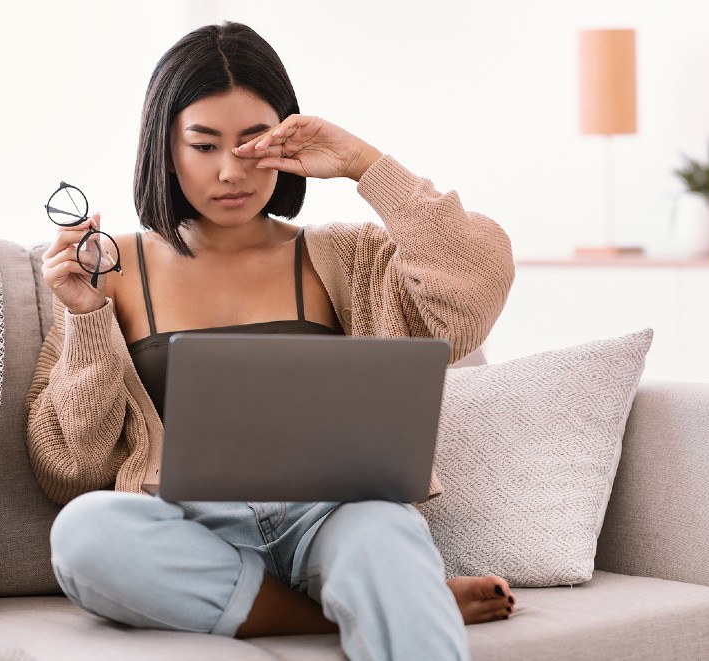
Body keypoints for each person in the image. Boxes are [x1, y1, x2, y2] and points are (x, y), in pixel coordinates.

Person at [25, 20, 516, 660]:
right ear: (164, 150)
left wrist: (368, 166)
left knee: (384, 537)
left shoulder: (346, 255)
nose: (232, 171)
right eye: (204, 146)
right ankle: (368, 605)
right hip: (191, 528)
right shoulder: (111, 268)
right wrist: (88, 319)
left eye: (252, 141)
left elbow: (477, 280)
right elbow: (72, 469)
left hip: (336, 518)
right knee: (85, 534)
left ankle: (381, 588)